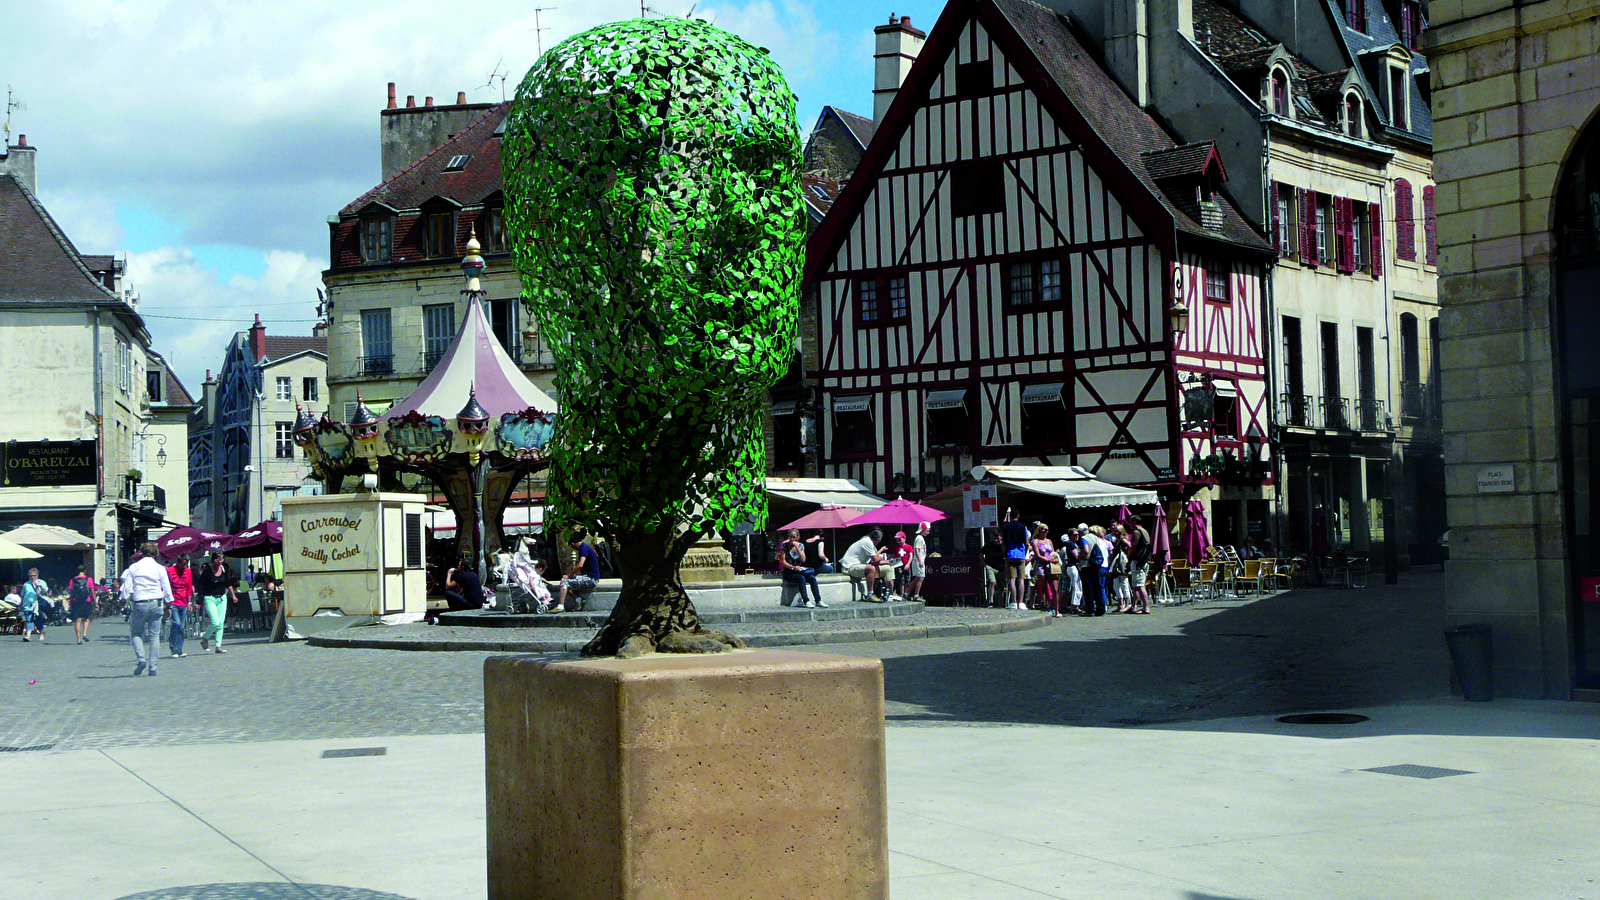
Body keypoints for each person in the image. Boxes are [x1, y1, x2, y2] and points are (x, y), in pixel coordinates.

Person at [120, 541, 174, 675]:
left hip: (140, 602)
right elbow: (166, 587)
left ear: (142, 553)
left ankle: (141, 659)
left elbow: (127, 587)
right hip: (156, 602)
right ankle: (153, 667)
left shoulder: (134, 567)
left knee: (137, 633)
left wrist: (124, 599)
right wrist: (169, 604)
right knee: (154, 636)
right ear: (155, 554)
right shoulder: (159, 568)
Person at [194, 551, 238, 654]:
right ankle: (205, 638)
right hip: (210, 598)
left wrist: (233, 595)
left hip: (222, 598)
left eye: (221, 559)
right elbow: (200, 586)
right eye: (218, 559)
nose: (220, 562)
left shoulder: (223, 569)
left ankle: (218, 646)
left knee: (221, 623)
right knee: (215, 621)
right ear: (213, 560)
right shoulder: (207, 571)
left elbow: (228, 583)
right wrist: (199, 601)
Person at [778, 528, 825, 608]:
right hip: (789, 571)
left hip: (799, 569)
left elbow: (803, 559)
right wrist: (792, 567)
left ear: (798, 537)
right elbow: (783, 561)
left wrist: (798, 548)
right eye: (790, 537)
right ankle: (806, 600)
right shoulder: (785, 546)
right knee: (801, 578)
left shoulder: (800, 545)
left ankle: (818, 600)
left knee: (812, 578)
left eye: (794, 537)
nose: (792, 539)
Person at [840, 528, 888, 601]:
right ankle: (870, 594)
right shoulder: (867, 542)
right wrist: (885, 560)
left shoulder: (868, 542)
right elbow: (876, 559)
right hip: (849, 567)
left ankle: (878, 592)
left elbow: (874, 561)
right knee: (871, 569)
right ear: (878, 540)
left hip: (855, 565)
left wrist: (887, 562)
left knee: (876, 567)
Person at [557, 534, 601, 612]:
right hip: (591, 577)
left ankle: (560, 606)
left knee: (564, 582)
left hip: (590, 579)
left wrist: (569, 575)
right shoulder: (586, 547)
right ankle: (579, 600)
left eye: (571, 545)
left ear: (573, 543)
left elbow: (580, 565)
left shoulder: (583, 548)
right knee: (567, 583)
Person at [1000, 509, 1030, 609]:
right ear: (1018, 516)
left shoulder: (1005, 528)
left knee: (1011, 579)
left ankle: (1013, 602)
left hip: (1010, 554)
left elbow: (1003, 543)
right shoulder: (1023, 527)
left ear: (1010, 516)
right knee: (1021, 579)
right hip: (1021, 554)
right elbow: (1026, 543)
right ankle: (1021, 602)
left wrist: (1004, 553)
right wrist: (1024, 553)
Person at [1029, 523, 1061, 616]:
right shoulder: (1035, 542)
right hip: (1041, 566)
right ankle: (1046, 607)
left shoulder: (1049, 541)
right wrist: (1047, 560)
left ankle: (1056, 610)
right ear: (1040, 530)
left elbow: (1053, 553)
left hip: (1051, 565)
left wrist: (1054, 559)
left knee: (1055, 589)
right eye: (1044, 529)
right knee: (1043, 589)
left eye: (1047, 530)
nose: (1046, 531)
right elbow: (1037, 555)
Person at [164, 556, 194, 656]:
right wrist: (167, 602)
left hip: (184, 602)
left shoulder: (188, 572)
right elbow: (166, 586)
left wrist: (189, 603)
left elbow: (189, 587)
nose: (184, 566)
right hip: (173, 602)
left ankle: (179, 649)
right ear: (178, 562)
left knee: (181, 626)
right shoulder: (170, 570)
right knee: (176, 624)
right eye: (183, 564)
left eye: (186, 564)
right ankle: (173, 648)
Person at [65, 566, 98, 645]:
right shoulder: (89, 579)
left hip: (76, 601)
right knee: (86, 618)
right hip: (87, 600)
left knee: (78, 620)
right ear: (85, 570)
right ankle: (85, 634)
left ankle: (78, 640)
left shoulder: (73, 580)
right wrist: (95, 603)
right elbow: (92, 592)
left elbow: (70, 591)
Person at [1078, 524, 1106, 617]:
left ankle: (1090, 610)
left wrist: (1080, 556)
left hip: (1087, 565)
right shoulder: (1096, 537)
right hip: (1096, 564)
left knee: (1088, 589)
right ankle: (1101, 609)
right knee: (1097, 587)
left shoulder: (1084, 538)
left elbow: (1086, 550)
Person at [1127, 515, 1152, 615]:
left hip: (1138, 561)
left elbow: (1133, 546)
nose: (1129, 524)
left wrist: (1129, 556)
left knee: (1140, 585)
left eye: (1130, 522)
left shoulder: (1136, 532)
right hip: (1144, 561)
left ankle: (1146, 607)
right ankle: (1133, 606)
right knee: (1136, 585)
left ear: (1134, 522)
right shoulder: (1145, 531)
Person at [1108, 523, 1132, 612]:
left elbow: (1130, 546)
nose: (1114, 532)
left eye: (1116, 531)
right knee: (1116, 585)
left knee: (1124, 584)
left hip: (1122, 564)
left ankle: (1127, 604)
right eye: (1114, 531)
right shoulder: (1117, 541)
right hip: (1117, 565)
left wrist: (1128, 556)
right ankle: (1120, 604)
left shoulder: (1122, 540)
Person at [20, 567, 48, 641]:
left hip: (38, 604)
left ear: (37, 575)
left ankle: (41, 633)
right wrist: (21, 604)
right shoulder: (26, 584)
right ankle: (28, 636)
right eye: (31, 576)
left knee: (39, 620)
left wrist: (39, 586)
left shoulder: (41, 582)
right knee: (29, 619)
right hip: (28, 605)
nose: (32, 577)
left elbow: (45, 591)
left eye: (34, 575)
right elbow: (22, 595)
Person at [906, 521, 929, 601]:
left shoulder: (920, 538)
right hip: (918, 560)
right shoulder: (919, 538)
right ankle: (916, 595)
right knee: (920, 578)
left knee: (917, 578)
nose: (928, 532)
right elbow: (916, 549)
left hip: (919, 560)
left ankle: (907, 592)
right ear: (923, 529)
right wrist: (920, 560)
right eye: (927, 530)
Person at [982, 532, 1004, 607]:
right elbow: (981, 554)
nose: (996, 540)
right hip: (991, 566)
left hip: (1001, 568)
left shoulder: (1003, 546)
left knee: (1001, 586)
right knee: (992, 582)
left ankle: (1000, 604)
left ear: (1001, 538)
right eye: (995, 538)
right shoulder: (989, 545)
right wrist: (985, 564)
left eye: (997, 538)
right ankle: (991, 601)